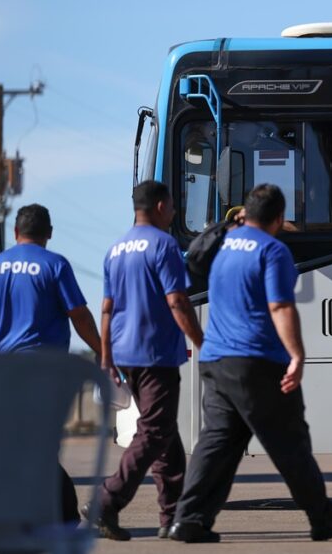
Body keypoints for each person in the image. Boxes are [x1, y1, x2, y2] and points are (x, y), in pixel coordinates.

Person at [169, 184, 332, 543]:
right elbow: (280, 307)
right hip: (256, 361)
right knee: (289, 441)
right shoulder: (272, 250)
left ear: (245, 212)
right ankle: (324, 518)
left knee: (216, 443)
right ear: (279, 218)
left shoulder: (223, 245)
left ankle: (188, 519)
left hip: (215, 358)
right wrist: (297, 355)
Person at [0, 203, 104, 525]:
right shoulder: (55, 265)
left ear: (16, 232)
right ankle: (61, 516)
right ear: (49, 233)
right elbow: (80, 316)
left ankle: (46, 515)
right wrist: (102, 350)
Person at [85, 180, 205, 541]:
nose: (174, 212)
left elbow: (107, 308)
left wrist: (106, 356)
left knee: (164, 432)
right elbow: (177, 300)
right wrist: (204, 342)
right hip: (154, 353)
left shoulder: (116, 250)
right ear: (159, 206)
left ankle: (174, 516)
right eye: (172, 206)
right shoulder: (164, 245)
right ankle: (106, 501)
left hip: (126, 352)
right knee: (154, 432)